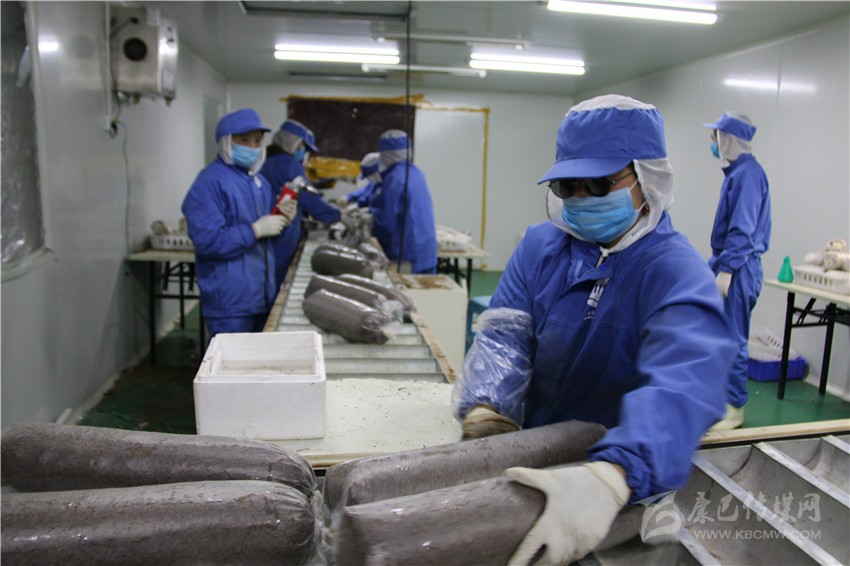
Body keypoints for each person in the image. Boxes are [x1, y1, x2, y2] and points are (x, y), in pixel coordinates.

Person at [451, 95, 736, 565]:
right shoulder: (540, 247)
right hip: (531, 457)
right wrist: (489, 407)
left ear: (648, 177)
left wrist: (615, 475)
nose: (582, 199)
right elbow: (505, 336)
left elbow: (686, 381)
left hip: (619, 484)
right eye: (568, 186)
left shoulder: (675, 273)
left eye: (600, 183)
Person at [182, 108, 296, 338]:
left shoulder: (259, 182)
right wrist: (255, 230)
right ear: (226, 142)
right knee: (232, 360)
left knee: (258, 359)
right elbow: (209, 242)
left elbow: (269, 242)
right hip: (230, 304)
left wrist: (284, 221)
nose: (252, 147)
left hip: (261, 297)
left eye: (257, 141)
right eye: (244, 140)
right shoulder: (209, 183)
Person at [703, 112, 772, 431]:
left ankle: (733, 408)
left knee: (732, 337)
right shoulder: (738, 173)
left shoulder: (748, 175)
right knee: (718, 335)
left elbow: (742, 229)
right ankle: (718, 400)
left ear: (729, 139)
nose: (713, 144)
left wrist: (728, 270)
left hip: (740, 266)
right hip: (729, 261)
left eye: (716, 137)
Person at [261, 118, 341, 288]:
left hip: (272, 232)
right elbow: (308, 199)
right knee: (280, 280)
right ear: (291, 142)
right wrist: (338, 215)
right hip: (283, 235)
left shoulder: (269, 161)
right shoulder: (289, 164)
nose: (302, 152)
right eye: (301, 146)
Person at [370, 129, 437, 273]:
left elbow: (386, 222)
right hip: (427, 252)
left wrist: (370, 228)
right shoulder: (417, 173)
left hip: (406, 255)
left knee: (402, 288)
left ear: (385, 155)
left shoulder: (393, 179)